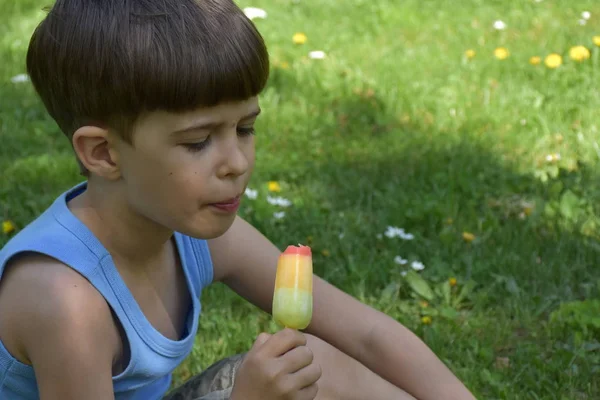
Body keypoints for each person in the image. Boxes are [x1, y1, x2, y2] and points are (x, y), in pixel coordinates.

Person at [0, 1, 476, 399]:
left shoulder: (193, 235)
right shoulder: (64, 299)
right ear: (104, 153)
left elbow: (366, 336)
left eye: (245, 129)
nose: (237, 162)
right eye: (198, 142)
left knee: (313, 362)